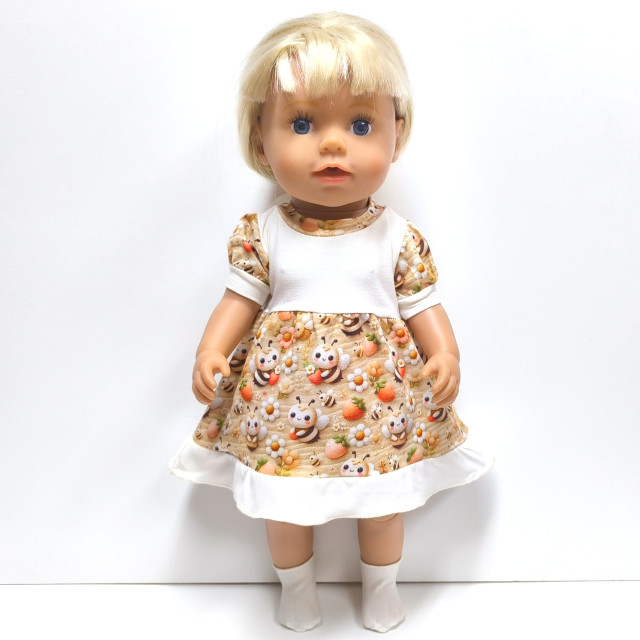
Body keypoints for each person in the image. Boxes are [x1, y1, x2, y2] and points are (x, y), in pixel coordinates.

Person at [170, 11, 493, 632]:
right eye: (302, 124)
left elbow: (423, 305)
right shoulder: (264, 233)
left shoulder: (396, 236)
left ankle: (381, 588)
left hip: (379, 413)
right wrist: (211, 350)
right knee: (285, 507)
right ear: (260, 141)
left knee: (384, 503)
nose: (333, 144)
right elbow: (238, 301)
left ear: (396, 136)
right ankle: (297, 590)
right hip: (279, 409)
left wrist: (445, 354)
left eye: (361, 124)